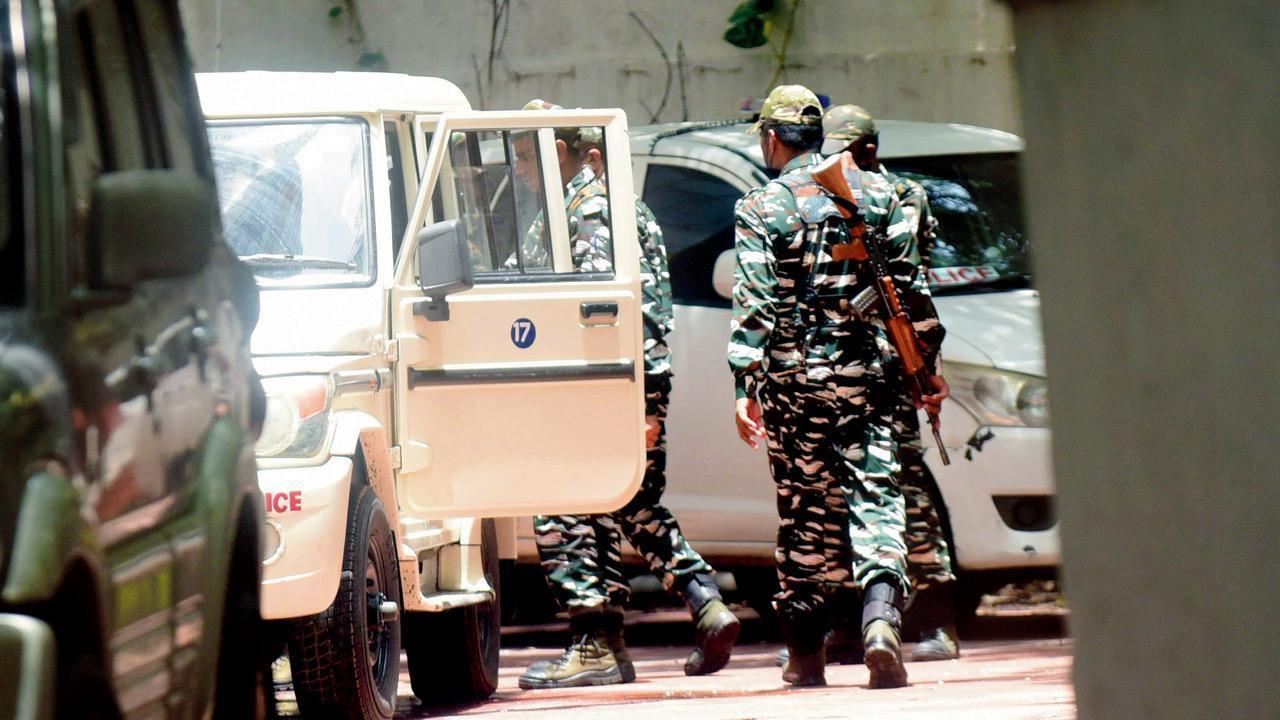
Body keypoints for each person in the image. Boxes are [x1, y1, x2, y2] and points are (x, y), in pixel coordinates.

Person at [729, 85, 948, 688]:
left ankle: (805, 655)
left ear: (773, 139)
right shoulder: (881, 195)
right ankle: (881, 622)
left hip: (793, 381)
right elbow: (910, 292)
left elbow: (755, 300)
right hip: (869, 375)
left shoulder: (761, 206)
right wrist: (925, 365)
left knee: (805, 510)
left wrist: (744, 383)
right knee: (877, 496)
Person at [518, 106, 740, 690]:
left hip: (601, 380)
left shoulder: (586, 210)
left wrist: (629, 400)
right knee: (628, 498)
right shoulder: (606, 206)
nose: (520, 169)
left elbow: (602, 311)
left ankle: (598, 642)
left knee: (563, 504)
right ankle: (702, 602)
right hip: (627, 378)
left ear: (565, 151)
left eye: (528, 154)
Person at [820, 104, 961, 661]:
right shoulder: (821, 191)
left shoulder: (902, 196)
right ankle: (857, 622)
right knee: (839, 493)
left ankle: (932, 618)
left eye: (848, 152)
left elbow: (911, 283)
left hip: (892, 361)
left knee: (903, 487)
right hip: (843, 363)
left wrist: (925, 366)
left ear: (870, 150)